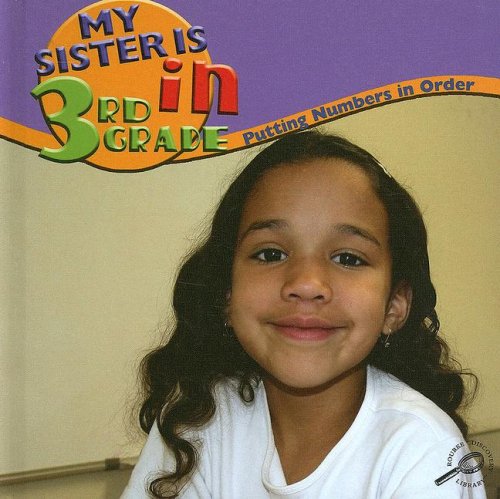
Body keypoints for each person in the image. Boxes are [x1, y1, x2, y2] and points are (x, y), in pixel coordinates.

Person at [122, 131, 484, 498]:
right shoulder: (196, 417)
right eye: (270, 254)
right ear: (226, 294)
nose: (307, 284)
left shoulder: (423, 452)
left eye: (348, 258)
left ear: (394, 306)